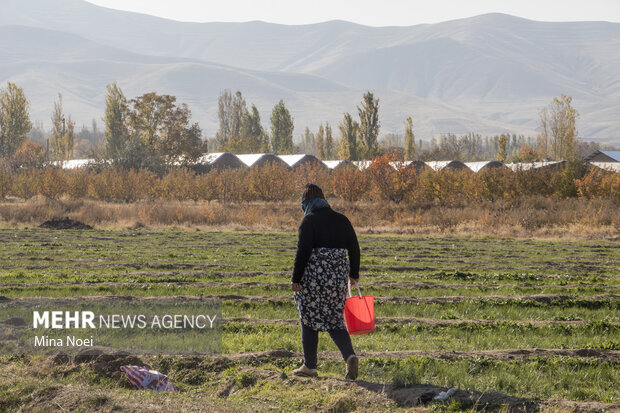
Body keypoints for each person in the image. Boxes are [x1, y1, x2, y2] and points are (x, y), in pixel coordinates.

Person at [291, 183, 361, 379]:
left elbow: (303, 252)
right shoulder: (342, 220)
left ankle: (310, 366)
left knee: (308, 319)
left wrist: (296, 279)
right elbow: (354, 247)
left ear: (306, 203)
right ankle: (349, 356)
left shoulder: (309, 221)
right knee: (335, 320)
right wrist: (353, 273)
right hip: (337, 279)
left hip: (313, 279)